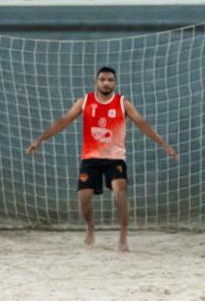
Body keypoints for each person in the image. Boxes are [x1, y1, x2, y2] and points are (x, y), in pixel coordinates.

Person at [26, 66, 177, 252]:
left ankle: (123, 235)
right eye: (103, 79)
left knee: (119, 191)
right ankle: (90, 225)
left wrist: (164, 145)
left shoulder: (123, 103)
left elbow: (143, 124)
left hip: (115, 159)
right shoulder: (85, 101)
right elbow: (63, 121)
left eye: (110, 80)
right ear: (96, 82)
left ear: (115, 83)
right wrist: (40, 139)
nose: (106, 83)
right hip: (91, 158)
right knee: (84, 197)